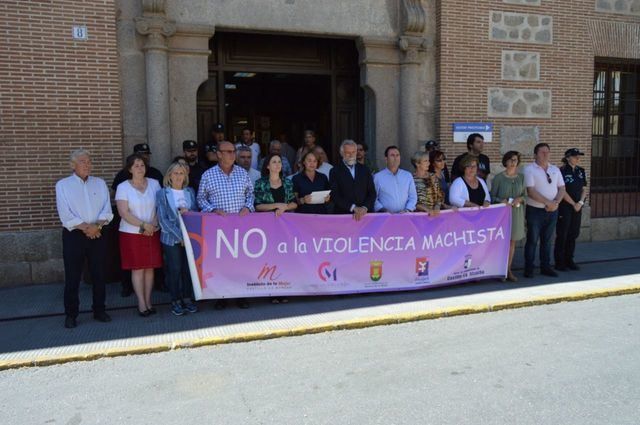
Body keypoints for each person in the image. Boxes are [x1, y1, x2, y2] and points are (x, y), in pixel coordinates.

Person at [56, 149, 113, 328]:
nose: (87, 164)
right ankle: (71, 314)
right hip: (75, 235)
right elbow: (65, 215)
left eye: (88, 161)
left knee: (99, 274)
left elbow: (107, 209)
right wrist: (87, 228)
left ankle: (99, 310)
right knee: (73, 276)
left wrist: (97, 226)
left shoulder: (100, 183)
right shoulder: (63, 185)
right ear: (73, 165)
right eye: (82, 161)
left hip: (98, 232)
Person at [197, 140, 254, 309]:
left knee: (241, 262)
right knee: (221, 262)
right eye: (228, 151)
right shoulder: (208, 175)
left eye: (233, 151)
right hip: (219, 229)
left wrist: (247, 207)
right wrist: (212, 209)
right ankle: (221, 296)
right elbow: (200, 198)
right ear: (219, 154)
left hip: (241, 228)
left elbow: (251, 194)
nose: (231, 154)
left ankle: (240, 295)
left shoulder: (242, 174)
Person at [111, 143, 163, 298]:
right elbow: (123, 212)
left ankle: (148, 300)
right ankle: (141, 303)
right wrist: (143, 225)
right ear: (130, 169)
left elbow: (161, 205)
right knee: (138, 268)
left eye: (142, 165)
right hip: (132, 234)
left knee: (150, 268)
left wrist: (153, 224)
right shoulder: (123, 187)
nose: (140, 168)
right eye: (136, 165)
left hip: (152, 231)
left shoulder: (154, 184)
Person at [156, 161, 199, 316]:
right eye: (175, 173)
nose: (179, 176)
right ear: (169, 176)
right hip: (171, 238)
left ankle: (187, 298)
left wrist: (189, 211)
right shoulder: (162, 193)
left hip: (190, 238)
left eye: (181, 173)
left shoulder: (190, 191)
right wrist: (180, 237)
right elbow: (163, 219)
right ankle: (175, 300)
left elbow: (196, 213)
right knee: (174, 269)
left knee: (188, 270)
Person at [523, 143, 566, 278]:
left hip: (553, 210)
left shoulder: (555, 169)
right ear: (535, 154)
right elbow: (530, 191)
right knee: (532, 240)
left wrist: (556, 203)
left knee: (547, 240)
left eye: (547, 152)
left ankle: (545, 267)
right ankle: (529, 268)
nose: (546, 154)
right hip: (535, 211)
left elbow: (562, 188)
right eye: (542, 152)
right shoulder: (529, 169)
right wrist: (548, 203)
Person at [490, 151, 526, 282]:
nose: (513, 162)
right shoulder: (499, 178)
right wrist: (501, 200)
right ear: (505, 162)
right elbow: (492, 197)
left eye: (515, 160)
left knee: (512, 242)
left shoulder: (521, 177)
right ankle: (498, 269)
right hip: (502, 215)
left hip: (516, 213)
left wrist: (520, 199)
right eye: (510, 160)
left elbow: (525, 195)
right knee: (501, 242)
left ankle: (508, 270)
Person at [554, 148, 588, 271]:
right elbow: (561, 190)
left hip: (577, 207)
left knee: (573, 234)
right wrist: (573, 203)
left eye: (579, 156)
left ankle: (569, 259)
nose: (578, 158)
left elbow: (584, 189)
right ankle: (559, 261)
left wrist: (580, 202)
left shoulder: (581, 171)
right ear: (568, 157)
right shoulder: (561, 171)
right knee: (562, 234)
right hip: (565, 207)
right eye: (575, 156)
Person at [330, 139, 376, 220]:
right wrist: (353, 208)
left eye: (353, 152)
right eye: (348, 153)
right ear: (342, 154)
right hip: (343, 216)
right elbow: (335, 195)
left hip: (365, 216)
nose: (351, 155)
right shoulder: (335, 171)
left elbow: (372, 192)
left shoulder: (365, 169)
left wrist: (364, 208)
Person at [374, 146, 417, 213]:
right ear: (386, 159)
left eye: (397, 155)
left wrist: (407, 210)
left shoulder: (407, 176)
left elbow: (413, 197)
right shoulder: (378, 177)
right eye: (392, 155)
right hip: (385, 218)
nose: (395, 158)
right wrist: (384, 210)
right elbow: (373, 199)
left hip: (405, 218)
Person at [412, 151, 448, 215]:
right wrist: (426, 209)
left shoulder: (433, 176)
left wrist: (437, 206)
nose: (428, 163)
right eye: (425, 161)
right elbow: (411, 200)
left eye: (428, 161)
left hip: (434, 215)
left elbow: (440, 195)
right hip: (418, 216)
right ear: (417, 164)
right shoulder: (411, 179)